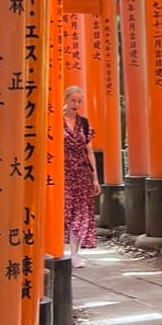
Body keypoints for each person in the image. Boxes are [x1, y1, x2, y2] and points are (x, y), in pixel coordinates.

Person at [63, 85, 99, 266]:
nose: (76, 104)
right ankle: (57, 249)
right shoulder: (55, 120)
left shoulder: (84, 123)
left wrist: (95, 178)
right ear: (66, 100)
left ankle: (74, 254)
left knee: (80, 214)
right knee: (64, 211)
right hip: (62, 173)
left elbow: (89, 152)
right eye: (73, 100)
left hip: (81, 173)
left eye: (79, 101)